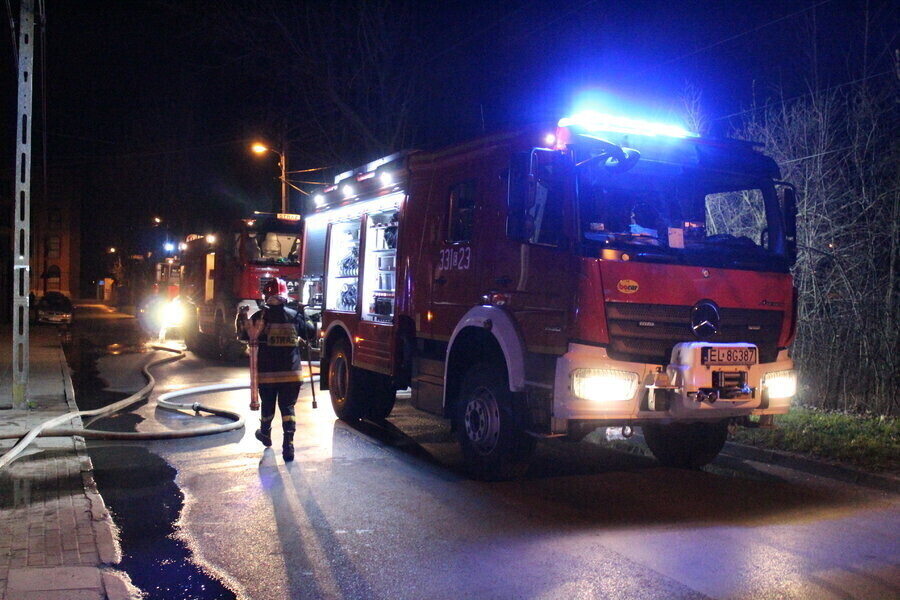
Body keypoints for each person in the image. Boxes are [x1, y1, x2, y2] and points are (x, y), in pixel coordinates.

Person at [243, 278, 305, 462]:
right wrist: (303, 315)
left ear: (266, 297)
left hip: (267, 375)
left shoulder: (259, 318)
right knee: (288, 407)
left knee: (268, 406)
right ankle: (289, 444)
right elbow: (309, 333)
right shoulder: (294, 316)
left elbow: (243, 335)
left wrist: (241, 317)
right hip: (291, 375)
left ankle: (265, 434)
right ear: (286, 296)